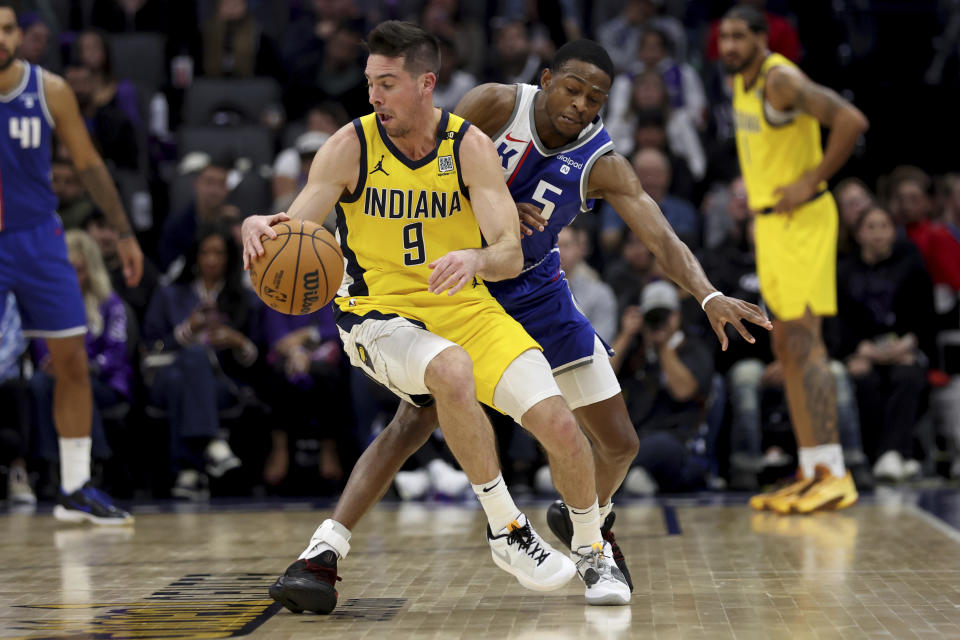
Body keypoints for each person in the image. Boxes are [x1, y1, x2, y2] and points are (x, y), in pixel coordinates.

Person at [277, 36, 770, 611]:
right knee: (411, 424)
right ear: (545, 78)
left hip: (534, 290)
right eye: (572, 88)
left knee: (618, 442)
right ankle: (324, 553)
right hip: (457, 285)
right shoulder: (494, 105)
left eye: (596, 98)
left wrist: (708, 294)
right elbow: (430, 162)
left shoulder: (602, 160)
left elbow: (658, 234)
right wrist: (502, 213)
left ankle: (585, 520)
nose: (581, 105)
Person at [241, 22, 627, 611]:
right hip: (378, 314)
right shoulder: (350, 145)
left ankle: (593, 552)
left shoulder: (468, 145)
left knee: (559, 423)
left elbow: (507, 251)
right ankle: (506, 528)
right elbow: (298, 229)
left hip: (465, 307)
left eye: (387, 84)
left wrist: (475, 256)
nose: (373, 95)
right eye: (371, 83)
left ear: (426, 84)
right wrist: (259, 226)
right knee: (448, 372)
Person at [719, 5, 869, 513]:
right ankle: (811, 468)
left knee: (805, 342)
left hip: (802, 219)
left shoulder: (780, 80)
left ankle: (834, 472)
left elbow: (850, 120)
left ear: (762, 39)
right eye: (724, 38)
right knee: (785, 346)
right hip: (771, 223)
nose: (729, 47)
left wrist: (813, 178)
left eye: (740, 37)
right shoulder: (742, 82)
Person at [0, 0, 143, 524]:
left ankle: (76, 487)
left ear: (21, 34)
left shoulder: (50, 89)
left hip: (39, 237)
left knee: (71, 361)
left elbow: (88, 164)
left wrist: (124, 233)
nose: (2, 38)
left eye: (9, 29)